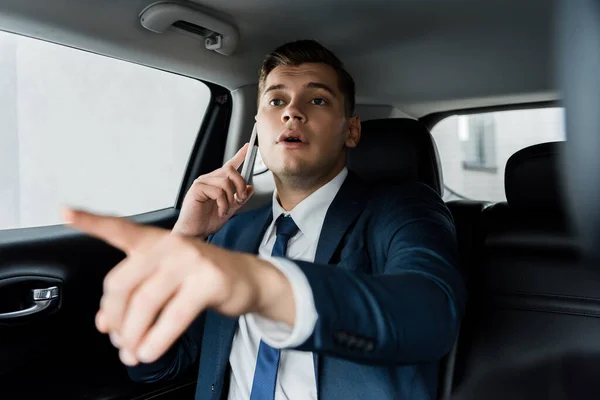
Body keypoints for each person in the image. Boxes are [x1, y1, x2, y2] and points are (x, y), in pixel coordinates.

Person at [63, 39, 466, 400]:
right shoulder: (234, 233)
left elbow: (430, 315)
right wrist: (187, 236)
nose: (292, 111)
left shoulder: (403, 209)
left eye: (318, 100)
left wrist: (265, 286)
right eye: (276, 101)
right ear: (257, 130)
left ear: (352, 131)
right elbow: (157, 367)